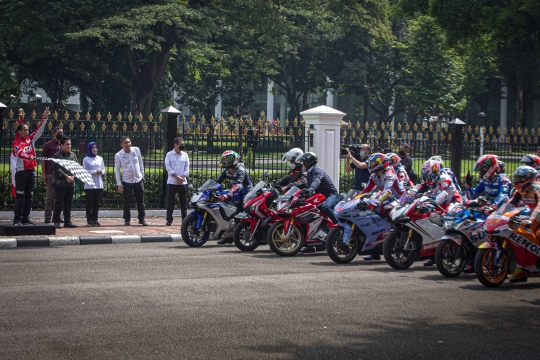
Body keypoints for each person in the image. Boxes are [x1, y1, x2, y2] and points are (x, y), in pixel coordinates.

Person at [360, 153, 404, 260]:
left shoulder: (389, 175)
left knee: (387, 211)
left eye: (372, 163)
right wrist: (355, 199)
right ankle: (375, 247)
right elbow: (366, 190)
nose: (370, 165)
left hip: (398, 198)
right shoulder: (373, 176)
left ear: (380, 163)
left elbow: (387, 190)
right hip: (384, 198)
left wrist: (377, 201)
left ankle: (394, 236)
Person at [295, 152, 339, 253]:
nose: (302, 165)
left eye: (303, 163)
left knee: (325, 208)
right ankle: (311, 244)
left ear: (307, 162)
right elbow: (306, 186)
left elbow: (317, 181)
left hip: (331, 195)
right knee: (307, 213)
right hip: (320, 196)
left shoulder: (317, 170)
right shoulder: (309, 172)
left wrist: (310, 189)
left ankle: (338, 226)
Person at [12, 107, 49, 226]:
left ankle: (26, 217)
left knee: (29, 196)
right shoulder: (16, 143)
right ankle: (17, 218)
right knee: (20, 195)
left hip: (31, 171)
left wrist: (45, 118)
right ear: (19, 131)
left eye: (27, 130)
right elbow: (19, 153)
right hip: (21, 172)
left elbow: (39, 131)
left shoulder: (30, 139)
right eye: (24, 130)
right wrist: (28, 157)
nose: (26, 132)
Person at [507, 166, 540, 282]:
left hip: (537, 215)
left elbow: (538, 207)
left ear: (528, 179)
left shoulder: (537, 188)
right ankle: (524, 269)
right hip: (532, 216)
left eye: (519, 178)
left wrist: (532, 219)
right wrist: (497, 213)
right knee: (517, 234)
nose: (516, 180)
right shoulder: (520, 190)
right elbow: (509, 204)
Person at [215, 150, 252, 244]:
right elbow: (217, 182)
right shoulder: (226, 171)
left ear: (233, 160)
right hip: (235, 192)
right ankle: (229, 235)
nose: (224, 162)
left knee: (242, 211)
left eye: (227, 160)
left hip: (245, 192)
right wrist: (207, 189)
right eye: (224, 160)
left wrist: (229, 193)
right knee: (227, 211)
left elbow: (239, 184)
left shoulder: (241, 170)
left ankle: (249, 233)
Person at [115, 136, 147, 226]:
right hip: (127, 181)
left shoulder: (136, 150)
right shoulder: (118, 155)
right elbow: (117, 170)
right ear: (121, 144)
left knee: (140, 201)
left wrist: (142, 175)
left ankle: (142, 219)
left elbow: (140, 163)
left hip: (138, 179)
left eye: (129, 142)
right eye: (125, 143)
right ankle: (127, 219)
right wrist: (119, 184)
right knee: (127, 201)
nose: (127, 144)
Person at [52, 136, 78, 229]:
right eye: (67, 144)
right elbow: (56, 169)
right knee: (59, 203)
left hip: (70, 184)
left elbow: (76, 167)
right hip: (60, 183)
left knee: (68, 203)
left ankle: (67, 221)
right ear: (61, 145)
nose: (69, 146)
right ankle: (56, 221)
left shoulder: (73, 155)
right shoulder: (57, 156)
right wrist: (66, 177)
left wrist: (73, 177)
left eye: (70, 144)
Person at [164, 137, 189, 226]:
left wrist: (182, 178)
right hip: (172, 182)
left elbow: (187, 168)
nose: (182, 146)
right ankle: (169, 219)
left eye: (183, 144)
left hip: (183, 182)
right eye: (180, 144)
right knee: (171, 202)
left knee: (183, 203)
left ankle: (184, 220)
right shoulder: (169, 154)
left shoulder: (185, 155)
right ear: (175, 145)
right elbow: (168, 168)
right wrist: (177, 177)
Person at [41, 126, 63, 223]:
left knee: (60, 196)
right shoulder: (48, 145)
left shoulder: (63, 145)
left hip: (61, 174)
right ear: (54, 133)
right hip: (50, 173)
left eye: (62, 132)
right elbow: (43, 160)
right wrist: (43, 174)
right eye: (58, 132)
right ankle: (47, 216)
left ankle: (57, 217)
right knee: (50, 195)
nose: (60, 134)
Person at [83, 142, 105, 227]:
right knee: (89, 202)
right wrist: (94, 172)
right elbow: (85, 170)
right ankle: (89, 219)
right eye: (93, 148)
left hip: (98, 183)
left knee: (96, 202)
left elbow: (103, 169)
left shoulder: (100, 158)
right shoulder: (86, 159)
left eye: (96, 148)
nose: (94, 149)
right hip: (90, 184)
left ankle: (95, 219)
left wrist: (101, 172)